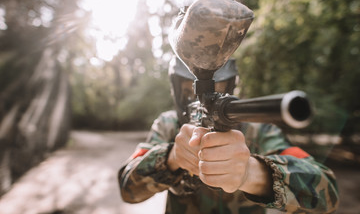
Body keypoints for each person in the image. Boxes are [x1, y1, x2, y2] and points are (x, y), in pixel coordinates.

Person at [118, 56, 339, 214]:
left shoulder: (258, 130)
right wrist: (173, 157)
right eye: (190, 92)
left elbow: (327, 193)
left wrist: (254, 174)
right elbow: (128, 189)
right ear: (176, 90)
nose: (205, 100)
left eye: (218, 92)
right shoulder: (168, 124)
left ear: (231, 89)